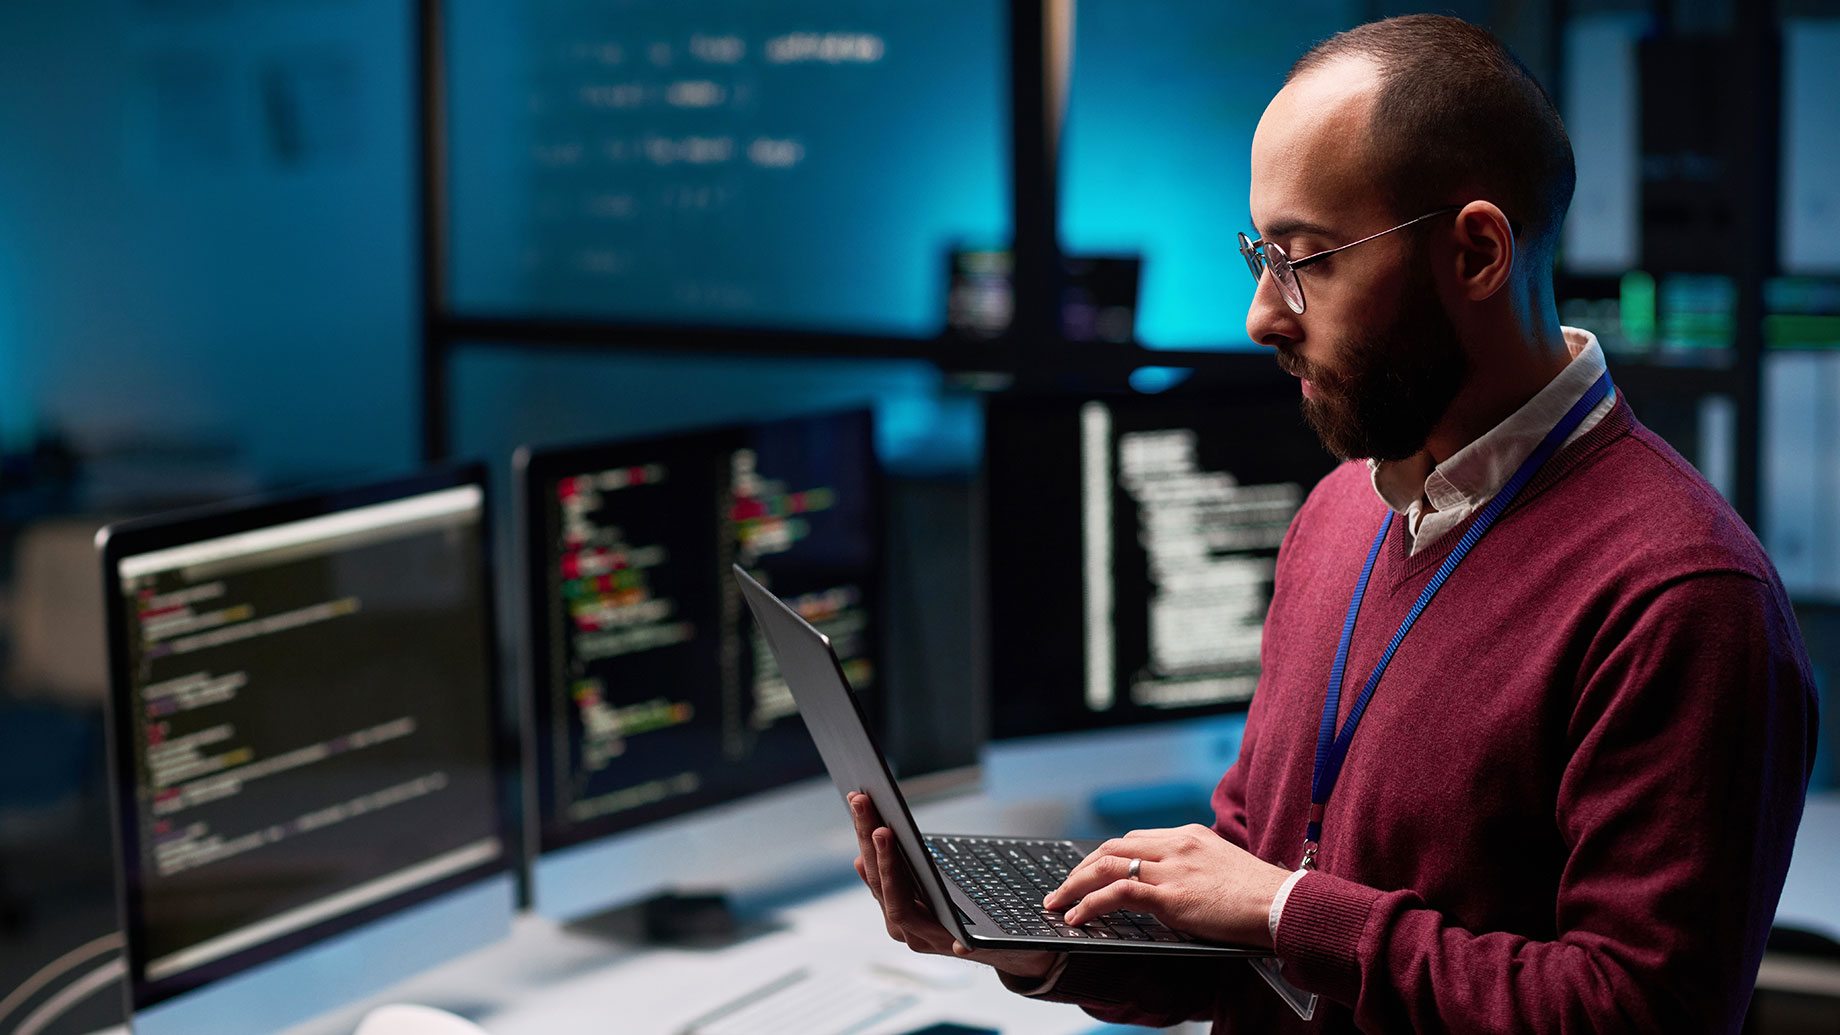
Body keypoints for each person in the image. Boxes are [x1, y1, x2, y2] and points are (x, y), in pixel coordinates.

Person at [849, 13, 1818, 1033]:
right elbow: (1237, 931)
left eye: (1306, 258)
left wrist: (1284, 908)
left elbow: (1634, 1014)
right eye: (1258, 254)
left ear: (1477, 251)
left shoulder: (1685, 600)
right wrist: (1038, 947)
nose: (1262, 315)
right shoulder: (1339, 515)